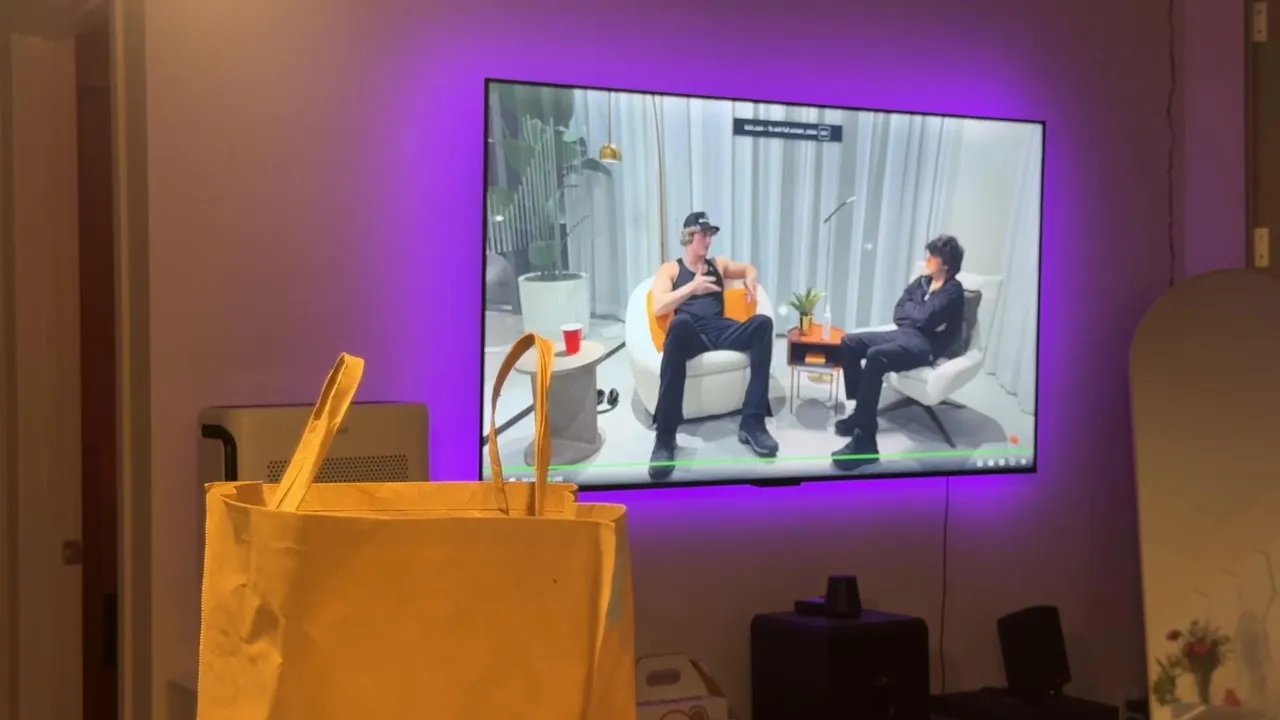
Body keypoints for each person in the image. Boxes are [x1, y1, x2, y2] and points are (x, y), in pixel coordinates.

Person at [647, 212, 779, 480]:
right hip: (691, 334)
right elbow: (659, 305)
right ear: (688, 236)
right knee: (679, 324)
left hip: (721, 330)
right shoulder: (670, 269)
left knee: (763, 324)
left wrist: (750, 278)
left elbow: (747, 268)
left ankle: (753, 422)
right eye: (703, 234)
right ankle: (665, 436)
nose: (708, 240)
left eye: (710, 235)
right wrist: (692, 287)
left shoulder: (718, 265)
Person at [831, 235, 967, 472]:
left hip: (926, 346)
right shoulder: (922, 282)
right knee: (849, 343)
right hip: (903, 333)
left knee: (876, 356)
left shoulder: (953, 291)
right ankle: (861, 413)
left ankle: (865, 442)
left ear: (946, 263)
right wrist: (917, 315)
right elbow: (899, 312)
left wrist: (915, 313)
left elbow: (925, 318)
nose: (927, 259)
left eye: (933, 256)